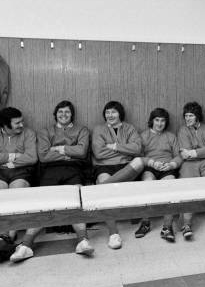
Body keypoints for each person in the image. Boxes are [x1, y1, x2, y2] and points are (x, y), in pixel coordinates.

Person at [12, 101, 95, 262]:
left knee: (76, 201)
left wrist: (57, 149)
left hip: (74, 169)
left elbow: (82, 151)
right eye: (60, 112)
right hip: (50, 170)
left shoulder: (82, 130)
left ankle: (82, 240)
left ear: (72, 115)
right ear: (55, 114)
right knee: (44, 203)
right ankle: (26, 245)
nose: (63, 115)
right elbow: (43, 156)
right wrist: (69, 152)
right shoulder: (45, 131)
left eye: (67, 112)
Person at [92, 101, 144, 249]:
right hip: (104, 166)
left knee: (139, 161)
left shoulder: (129, 128)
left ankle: (98, 191)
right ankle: (113, 233)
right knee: (105, 184)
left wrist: (114, 146)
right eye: (107, 112)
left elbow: (137, 148)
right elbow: (99, 152)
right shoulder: (98, 129)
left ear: (120, 113)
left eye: (113, 112)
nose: (110, 115)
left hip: (125, 166)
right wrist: (125, 150)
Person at [134, 108, 183, 241]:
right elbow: (139, 156)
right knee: (147, 185)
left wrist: (172, 164)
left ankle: (167, 226)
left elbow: (178, 156)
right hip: (150, 167)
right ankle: (145, 222)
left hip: (167, 167)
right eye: (157, 120)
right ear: (152, 121)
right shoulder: (143, 136)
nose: (160, 124)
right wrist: (151, 163)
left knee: (170, 186)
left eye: (162, 121)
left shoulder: (171, 136)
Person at [177, 102, 205, 239]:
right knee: (187, 188)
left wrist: (193, 152)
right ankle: (186, 224)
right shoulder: (183, 130)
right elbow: (184, 152)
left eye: (191, 115)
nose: (188, 118)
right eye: (186, 116)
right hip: (188, 164)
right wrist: (198, 151)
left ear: (197, 116)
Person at [0, 107, 37, 259]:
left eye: (22, 121)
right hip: (1, 172)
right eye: (17, 123)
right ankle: (2, 234)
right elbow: (23, 155)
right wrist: (14, 156)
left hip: (22, 171)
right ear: (5, 126)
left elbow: (31, 157)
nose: (21, 125)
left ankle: (10, 235)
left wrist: (8, 160)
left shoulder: (28, 133)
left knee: (15, 193)